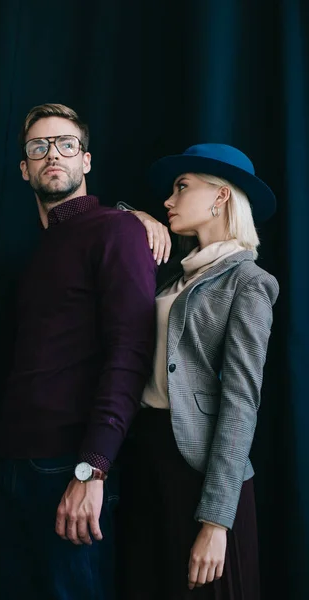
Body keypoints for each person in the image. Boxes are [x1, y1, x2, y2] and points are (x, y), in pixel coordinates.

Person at [0, 103, 160, 600]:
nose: (52, 154)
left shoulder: (117, 232)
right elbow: (22, 374)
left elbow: (130, 352)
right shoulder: (37, 254)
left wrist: (92, 470)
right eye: (39, 147)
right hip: (14, 471)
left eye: (65, 144)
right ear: (24, 168)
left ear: (86, 161)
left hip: (70, 467)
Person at [116, 143, 279, 600]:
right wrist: (136, 217)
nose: (168, 201)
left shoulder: (249, 282)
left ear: (220, 197)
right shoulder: (173, 277)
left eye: (181, 187)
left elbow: (241, 402)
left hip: (203, 473)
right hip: (148, 456)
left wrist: (216, 521)